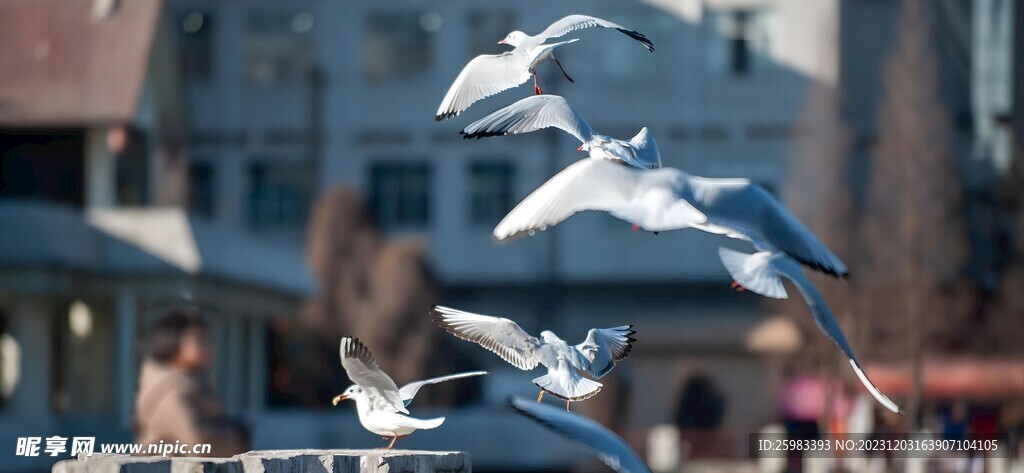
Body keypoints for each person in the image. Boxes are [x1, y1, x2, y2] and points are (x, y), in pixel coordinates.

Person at [133, 307, 249, 457]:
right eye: (200, 341)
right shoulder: (173, 392)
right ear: (172, 344)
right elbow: (200, 446)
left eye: (209, 339)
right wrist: (238, 434)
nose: (210, 347)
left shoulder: (192, 385)